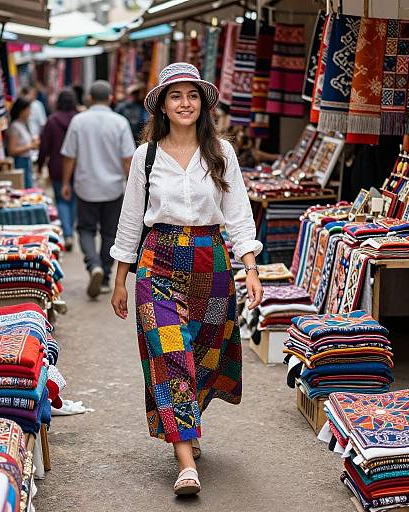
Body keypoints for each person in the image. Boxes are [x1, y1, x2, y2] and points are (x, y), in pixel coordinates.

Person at [109, 63, 263, 495]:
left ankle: (187, 423)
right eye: (175, 96)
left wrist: (249, 267)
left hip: (211, 265)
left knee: (204, 352)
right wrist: (121, 278)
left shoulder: (222, 152)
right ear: (162, 104)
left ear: (203, 103)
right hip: (157, 261)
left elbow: (239, 217)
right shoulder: (147, 156)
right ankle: (184, 462)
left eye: (191, 96)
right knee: (169, 352)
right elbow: (129, 221)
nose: (184, 104)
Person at [61, 80, 135, 298]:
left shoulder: (78, 121)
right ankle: (104, 277)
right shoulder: (119, 122)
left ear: (90, 99)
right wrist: (133, 187)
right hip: (113, 188)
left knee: (85, 229)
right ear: (111, 97)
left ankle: (93, 265)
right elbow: (127, 159)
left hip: (86, 186)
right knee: (110, 233)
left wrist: (65, 183)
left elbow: (69, 156)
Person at [37, 89, 78, 251]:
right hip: (77, 166)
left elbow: (44, 146)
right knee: (73, 200)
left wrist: (40, 165)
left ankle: (67, 233)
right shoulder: (78, 119)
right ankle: (70, 231)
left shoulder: (52, 120)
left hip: (56, 166)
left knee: (61, 200)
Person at [7, 97, 39, 189]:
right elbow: (12, 150)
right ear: (22, 110)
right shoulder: (15, 126)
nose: (30, 112)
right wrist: (30, 146)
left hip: (26, 161)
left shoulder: (22, 125)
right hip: (20, 162)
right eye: (28, 109)